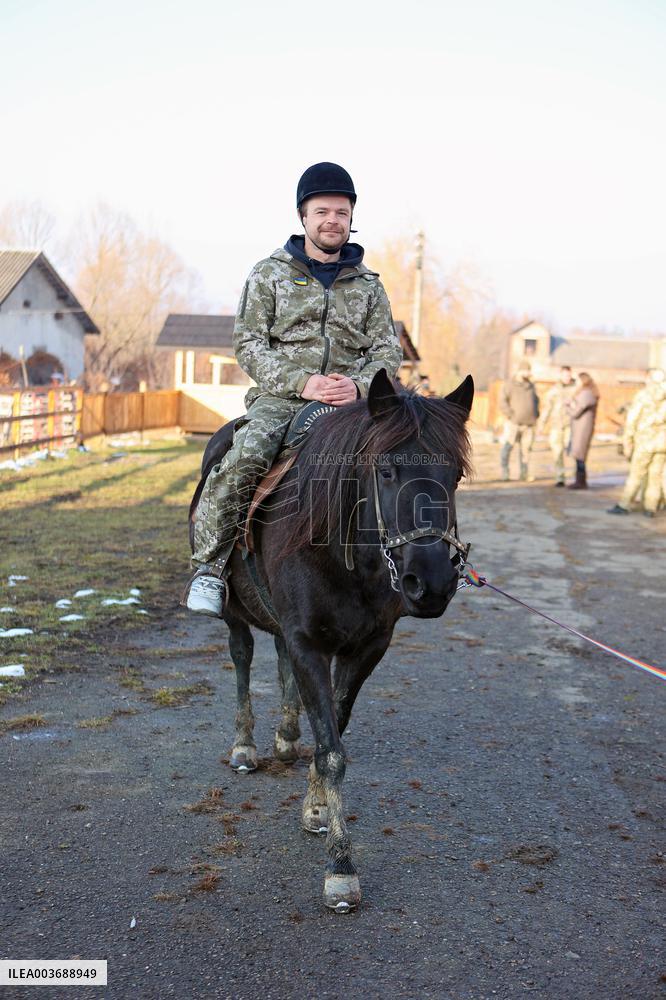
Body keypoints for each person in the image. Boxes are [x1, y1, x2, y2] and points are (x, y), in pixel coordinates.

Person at [186, 162, 403, 616]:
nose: (332, 220)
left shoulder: (369, 287)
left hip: (350, 405)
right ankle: (211, 566)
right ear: (303, 216)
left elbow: (387, 350)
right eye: (321, 210)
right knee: (246, 456)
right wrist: (304, 382)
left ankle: (398, 565)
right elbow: (248, 343)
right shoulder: (269, 274)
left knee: (400, 462)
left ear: (351, 219)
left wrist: (359, 385)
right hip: (282, 399)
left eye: (341, 212)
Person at [607, 368, 666, 518]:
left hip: (645, 442)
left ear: (649, 379)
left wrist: (627, 440)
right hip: (662, 443)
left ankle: (624, 504)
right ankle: (650, 507)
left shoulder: (643, 396)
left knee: (636, 475)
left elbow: (632, 419)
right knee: (656, 476)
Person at [499, 360, 539, 481]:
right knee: (508, 447)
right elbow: (502, 401)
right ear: (519, 371)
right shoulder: (509, 384)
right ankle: (505, 473)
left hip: (529, 424)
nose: (527, 373)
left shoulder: (531, 386)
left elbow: (536, 401)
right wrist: (511, 414)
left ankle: (524, 474)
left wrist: (536, 414)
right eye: (525, 370)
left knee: (526, 450)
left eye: (529, 370)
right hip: (513, 423)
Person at [538, 366, 576, 486]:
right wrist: (542, 424)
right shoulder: (554, 390)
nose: (566, 377)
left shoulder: (576, 389)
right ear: (560, 375)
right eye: (564, 375)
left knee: (572, 452)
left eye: (568, 375)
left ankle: (576, 476)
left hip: (571, 425)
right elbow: (547, 408)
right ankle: (560, 477)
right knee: (557, 451)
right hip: (556, 425)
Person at [566, 371, 599, 489]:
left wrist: (568, 406)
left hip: (582, 428)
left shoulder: (587, 394)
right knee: (579, 455)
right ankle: (579, 480)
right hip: (581, 427)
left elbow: (576, 412)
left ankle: (580, 482)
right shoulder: (587, 393)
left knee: (580, 456)